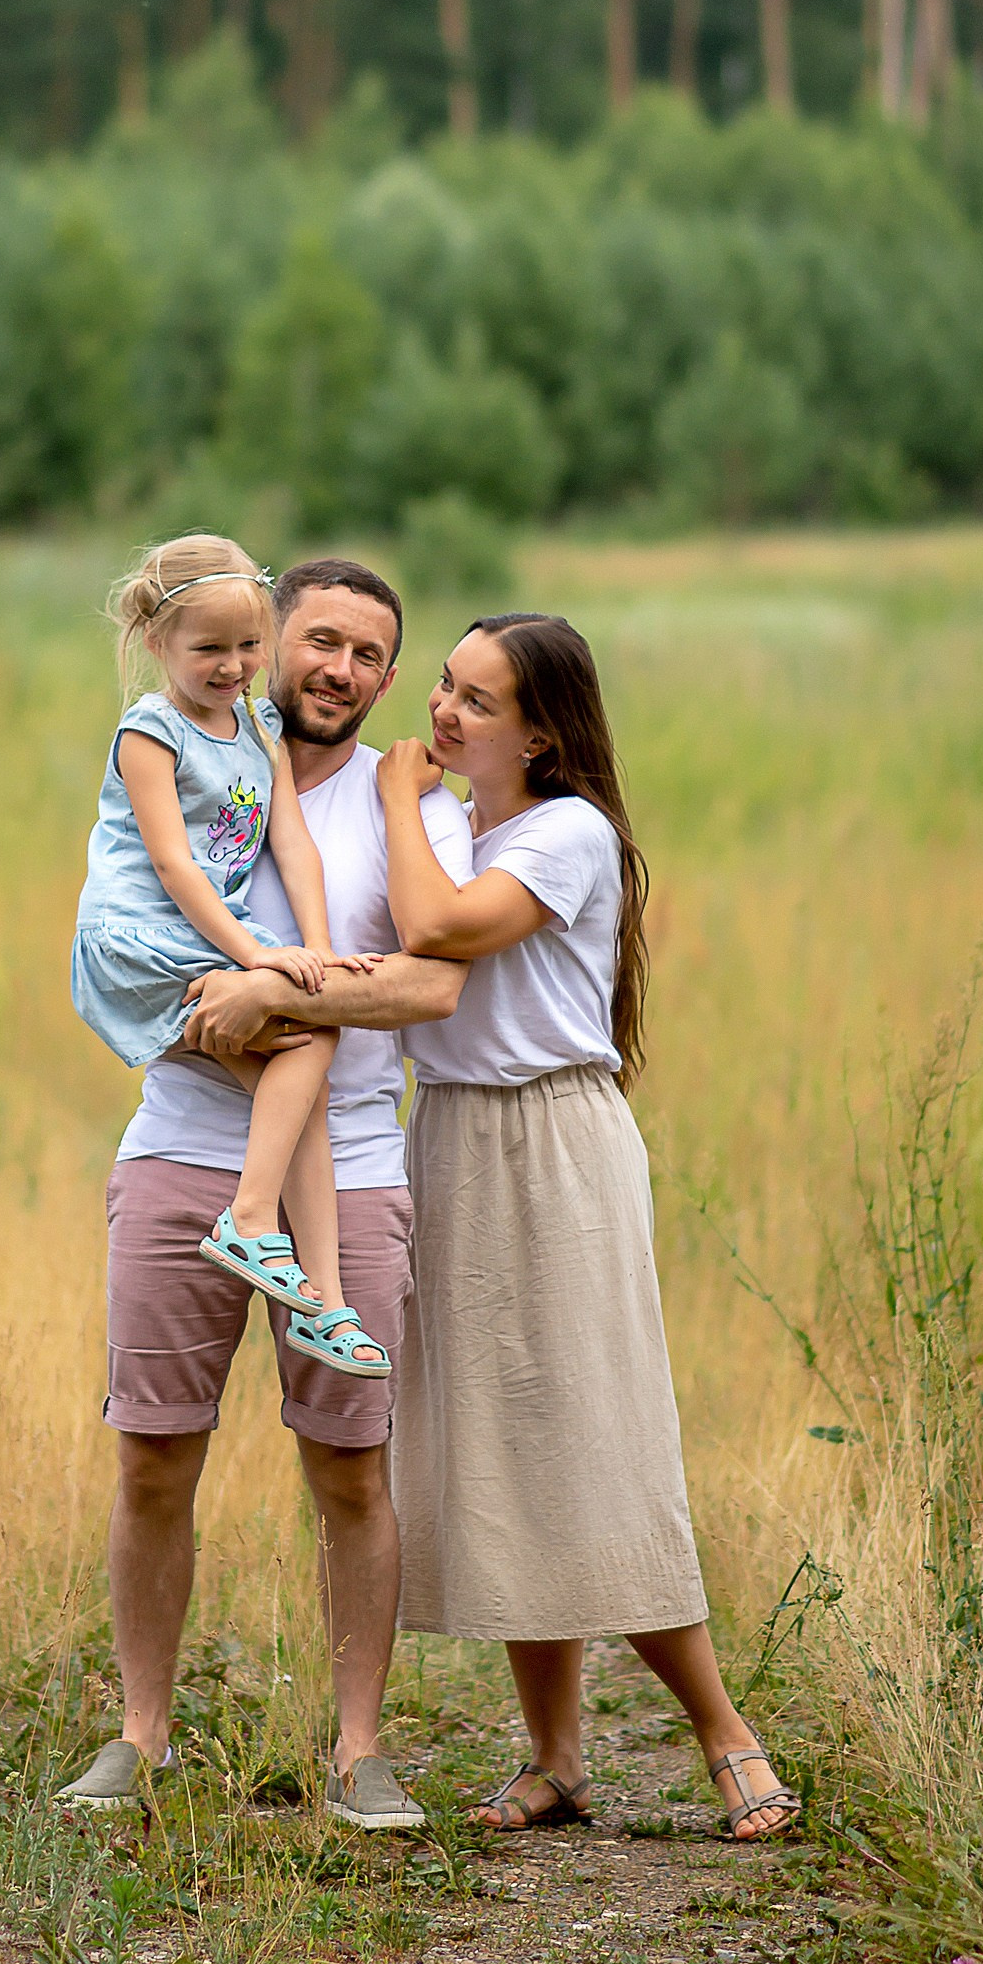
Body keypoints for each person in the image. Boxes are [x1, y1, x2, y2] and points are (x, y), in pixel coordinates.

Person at [59, 558, 478, 1830]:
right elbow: (122, 927)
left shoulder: (414, 811)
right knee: (152, 1458)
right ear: (267, 639)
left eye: (367, 655)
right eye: (320, 641)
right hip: (176, 1149)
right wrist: (244, 991)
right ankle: (140, 1737)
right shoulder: (186, 755)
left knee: (353, 1469)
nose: (336, 670)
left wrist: (271, 993)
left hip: (348, 1168)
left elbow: (426, 985)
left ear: (388, 679)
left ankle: (359, 1753)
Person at [377, 612, 800, 1843]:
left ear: (544, 733)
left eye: (479, 702)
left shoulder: (567, 835)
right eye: (445, 688)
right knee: (504, 1442)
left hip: (553, 1142)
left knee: (594, 1436)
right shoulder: (463, 821)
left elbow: (438, 930)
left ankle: (725, 1731)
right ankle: (555, 1758)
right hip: (452, 1131)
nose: (446, 714)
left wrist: (402, 795)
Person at [71, 532, 390, 1381]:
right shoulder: (150, 730)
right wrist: (260, 957)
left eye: (248, 646)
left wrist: (317, 952)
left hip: (204, 938)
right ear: (156, 642)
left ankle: (322, 1301)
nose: (231, 665)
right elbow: (173, 863)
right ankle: (251, 1220)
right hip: (141, 940)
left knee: (304, 1072)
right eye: (207, 647)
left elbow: (291, 841)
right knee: (306, 1037)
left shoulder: (259, 727)